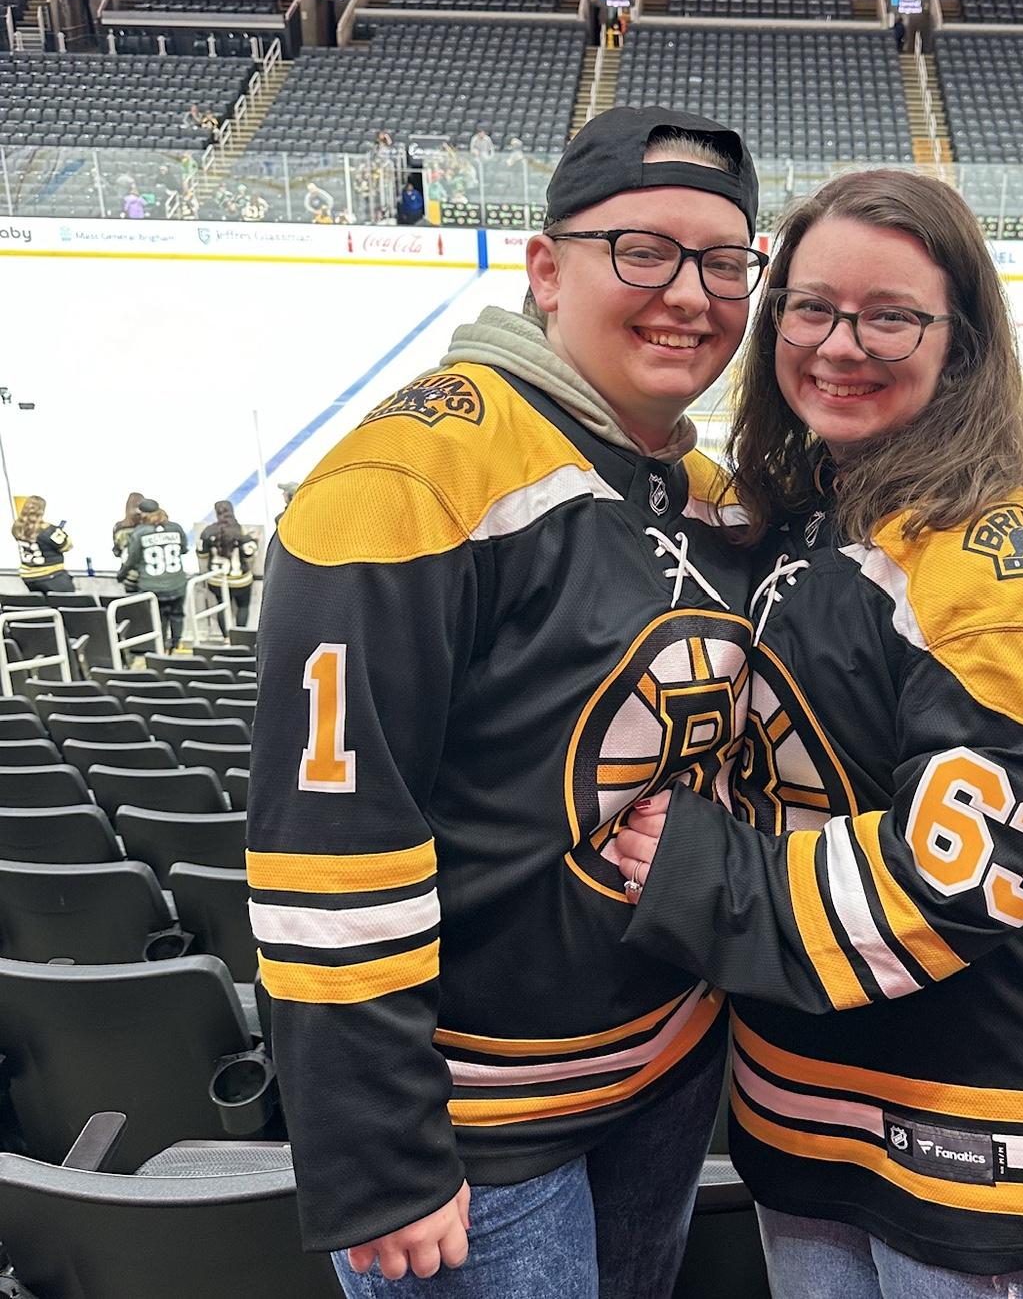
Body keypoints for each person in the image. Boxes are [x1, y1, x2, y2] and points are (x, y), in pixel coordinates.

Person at [246, 107, 769, 1296]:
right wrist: (379, 1150)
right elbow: (326, 845)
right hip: (477, 1138)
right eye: (642, 250)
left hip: (665, 1077)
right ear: (545, 269)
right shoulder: (410, 478)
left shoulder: (705, 491)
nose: (690, 294)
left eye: (724, 262)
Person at [612, 169, 1023, 1297]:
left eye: (889, 316)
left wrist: (706, 874)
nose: (839, 345)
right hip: (811, 1104)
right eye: (811, 308)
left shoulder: (999, 579)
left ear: (962, 344)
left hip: (984, 1139)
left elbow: (976, 873)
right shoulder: (813, 509)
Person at [121, 499, 191, 651]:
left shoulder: (139, 533)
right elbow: (184, 549)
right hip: (177, 582)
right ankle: (176, 644)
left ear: (143, 515)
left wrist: (121, 574)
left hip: (151, 586)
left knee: (158, 619)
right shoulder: (175, 528)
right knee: (177, 615)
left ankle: (161, 648)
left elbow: (132, 559)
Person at [198, 500, 258, 629]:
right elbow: (249, 553)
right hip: (240, 579)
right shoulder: (241, 530)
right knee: (243, 606)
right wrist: (254, 539)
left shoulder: (208, 531)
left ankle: (226, 637)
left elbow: (201, 554)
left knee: (222, 606)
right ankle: (240, 635)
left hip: (217, 580)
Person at [11, 496, 75, 596]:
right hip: (52, 575)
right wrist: (60, 533)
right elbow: (67, 546)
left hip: (28, 578)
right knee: (72, 604)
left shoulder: (17, 527)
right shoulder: (48, 529)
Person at [112, 491, 145, 560]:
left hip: (127, 562)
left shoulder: (119, 527)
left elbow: (117, 551)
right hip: (144, 562)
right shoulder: (147, 526)